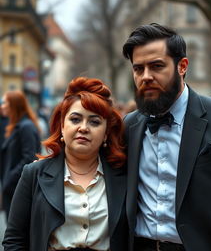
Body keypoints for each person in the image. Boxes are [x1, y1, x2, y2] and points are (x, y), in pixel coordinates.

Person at [122, 23, 211, 251]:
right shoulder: (129, 125)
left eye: (156, 66)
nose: (146, 77)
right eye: (138, 69)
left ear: (182, 66)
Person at [2, 77, 128, 251]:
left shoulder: (124, 176)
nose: (83, 128)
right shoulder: (33, 173)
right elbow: (14, 241)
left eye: (94, 122)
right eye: (75, 119)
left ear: (106, 133)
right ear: (62, 125)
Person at [0, 90, 41, 219]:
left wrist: (9, 180)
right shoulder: (16, 126)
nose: (2, 106)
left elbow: (29, 157)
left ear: (14, 105)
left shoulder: (26, 127)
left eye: (5, 102)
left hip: (18, 189)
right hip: (12, 189)